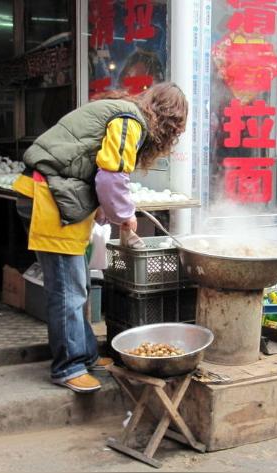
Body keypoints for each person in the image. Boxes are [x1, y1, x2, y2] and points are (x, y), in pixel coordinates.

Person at [13, 82, 188, 393]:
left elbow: (96, 173)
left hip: (59, 199)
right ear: (168, 122)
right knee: (68, 291)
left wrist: (108, 213)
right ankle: (68, 367)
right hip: (49, 200)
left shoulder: (123, 113)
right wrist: (125, 215)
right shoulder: (129, 121)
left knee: (77, 286)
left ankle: (87, 355)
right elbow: (110, 177)